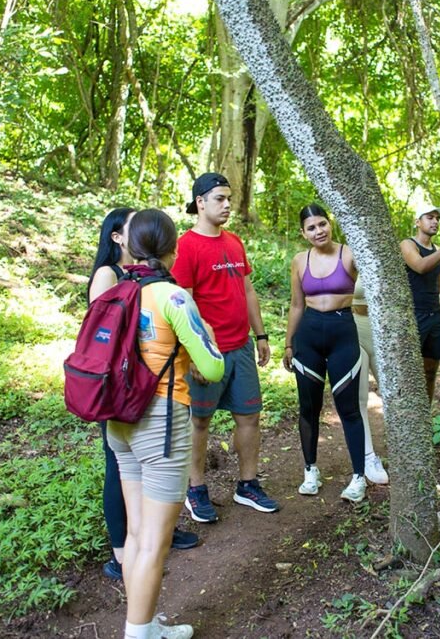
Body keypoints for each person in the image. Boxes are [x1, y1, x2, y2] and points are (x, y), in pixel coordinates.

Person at [105, 209, 224, 639]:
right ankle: (139, 634)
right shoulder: (171, 297)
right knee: (156, 541)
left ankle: (144, 623)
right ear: (173, 249)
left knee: (137, 535)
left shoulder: (119, 289)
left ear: (131, 246)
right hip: (160, 422)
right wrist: (205, 335)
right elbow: (211, 368)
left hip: (118, 422)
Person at [87, 209, 201, 584]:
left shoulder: (148, 282)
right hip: (123, 386)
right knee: (118, 468)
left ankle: (153, 537)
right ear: (119, 237)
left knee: (142, 472)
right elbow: (103, 333)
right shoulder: (111, 275)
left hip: (146, 387)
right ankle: (123, 552)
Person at [171, 173, 279, 523]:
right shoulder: (186, 245)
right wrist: (198, 352)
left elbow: (247, 291)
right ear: (200, 202)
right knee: (199, 420)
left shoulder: (234, 242)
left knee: (249, 416)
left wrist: (260, 336)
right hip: (207, 351)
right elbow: (183, 301)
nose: (227, 204)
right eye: (219, 198)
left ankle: (247, 484)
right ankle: (196, 489)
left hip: (241, 346)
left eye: (229, 198)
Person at [282, 204, 368, 502]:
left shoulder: (350, 253)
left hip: (343, 332)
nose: (318, 231)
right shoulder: (299, 261)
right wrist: (288, 343)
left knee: (349, 409)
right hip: (308, 335)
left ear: (330, 224)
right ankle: (310, 470)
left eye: (322, 224)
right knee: (308, 408)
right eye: (311, 227)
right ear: (303, 233)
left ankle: (359, 477)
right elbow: (296, 305)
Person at [400, 203, 440, 402]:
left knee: (430, 371)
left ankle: (425, 417)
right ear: (417, 222)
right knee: (409, 372)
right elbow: (419, 266)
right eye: (429, 217)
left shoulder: (439, 253)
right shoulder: (407, 244)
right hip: (413, 315)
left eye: (437, 218)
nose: (435, 221)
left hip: (434, 316)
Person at [350, 282, 389, 484]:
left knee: (394, 394)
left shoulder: (394, 252)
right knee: (360, 397)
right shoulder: (345, 256)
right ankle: (368, 457)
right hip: (355, 326)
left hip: (384, 327)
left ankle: (403, 450)